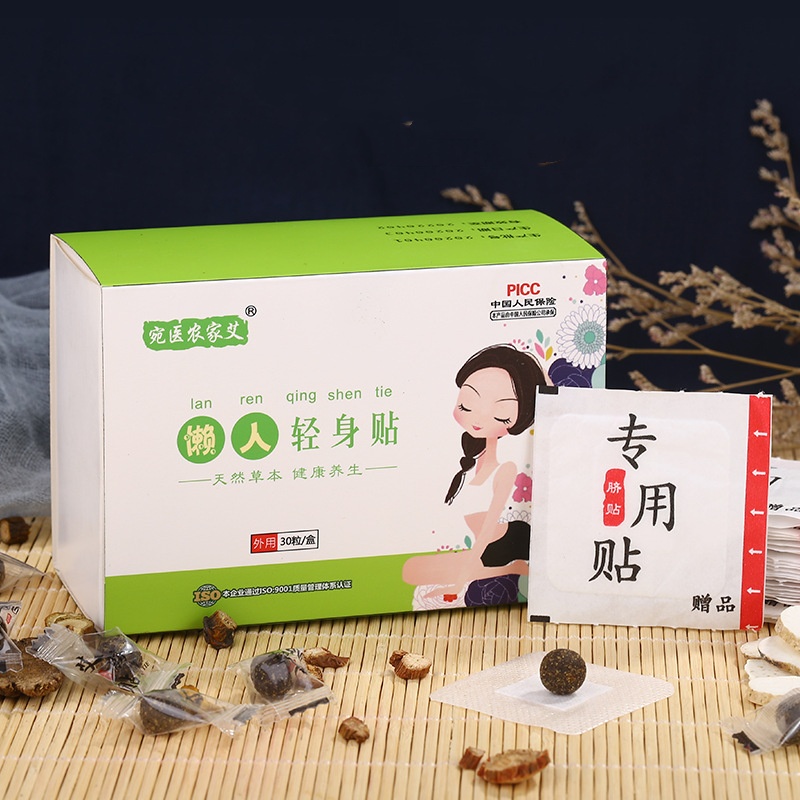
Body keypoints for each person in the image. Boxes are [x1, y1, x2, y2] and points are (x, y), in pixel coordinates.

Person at [402, 344, 547, 605]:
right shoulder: (469, 462)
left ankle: (515, 567)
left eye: (501, 414)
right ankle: (511, 568)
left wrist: (460, 582)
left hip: (506, 542)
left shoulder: (506, 468)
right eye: (467, 405)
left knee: (413, 570)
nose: (479, 418)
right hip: (483, 544)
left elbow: (487, 530)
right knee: (410, 569)